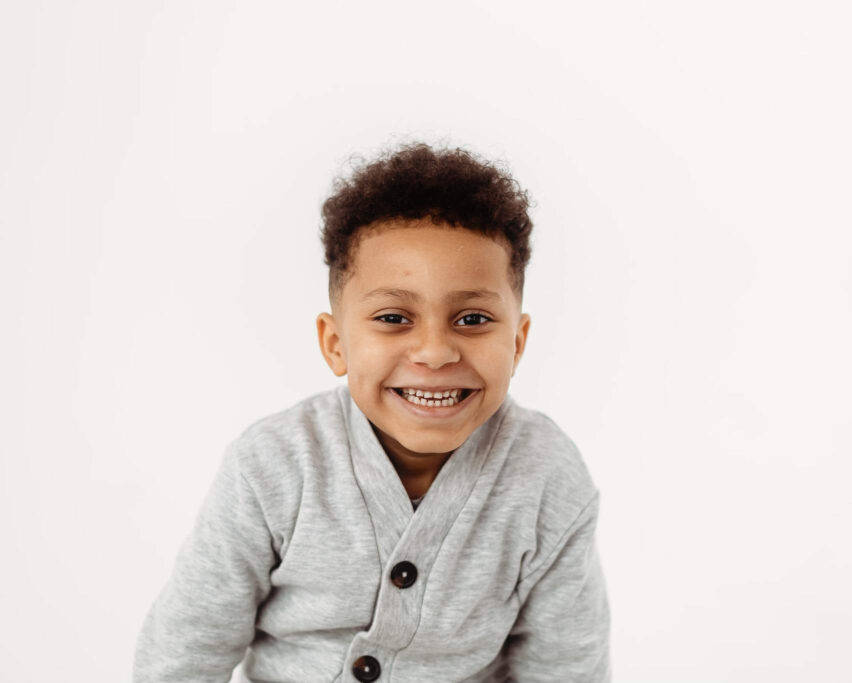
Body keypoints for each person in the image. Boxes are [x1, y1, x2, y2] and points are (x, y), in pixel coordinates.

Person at [132, 143, 611, 682]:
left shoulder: (547, 477)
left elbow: (567, 666)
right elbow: (185, 650)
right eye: (393, 318)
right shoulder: (272, 465)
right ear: (335, 343)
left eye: (473, 319)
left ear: (517, 344)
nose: (435, 352)